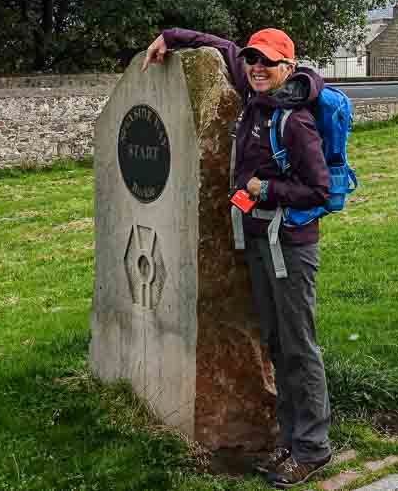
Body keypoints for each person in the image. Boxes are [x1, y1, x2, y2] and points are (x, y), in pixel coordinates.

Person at [142, 28, 333, 489]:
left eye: (268, 62)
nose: (256, 67)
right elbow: (224, 47)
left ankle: (313, 448)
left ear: (288, 67)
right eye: (253, 60)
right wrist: (170, 37)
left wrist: (265, 189)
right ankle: (288, 440)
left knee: (298, 345)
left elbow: (319, 189)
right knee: (275, 342)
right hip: (260, 242)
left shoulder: (295, 120)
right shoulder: (254, 92)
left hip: (290, 245)